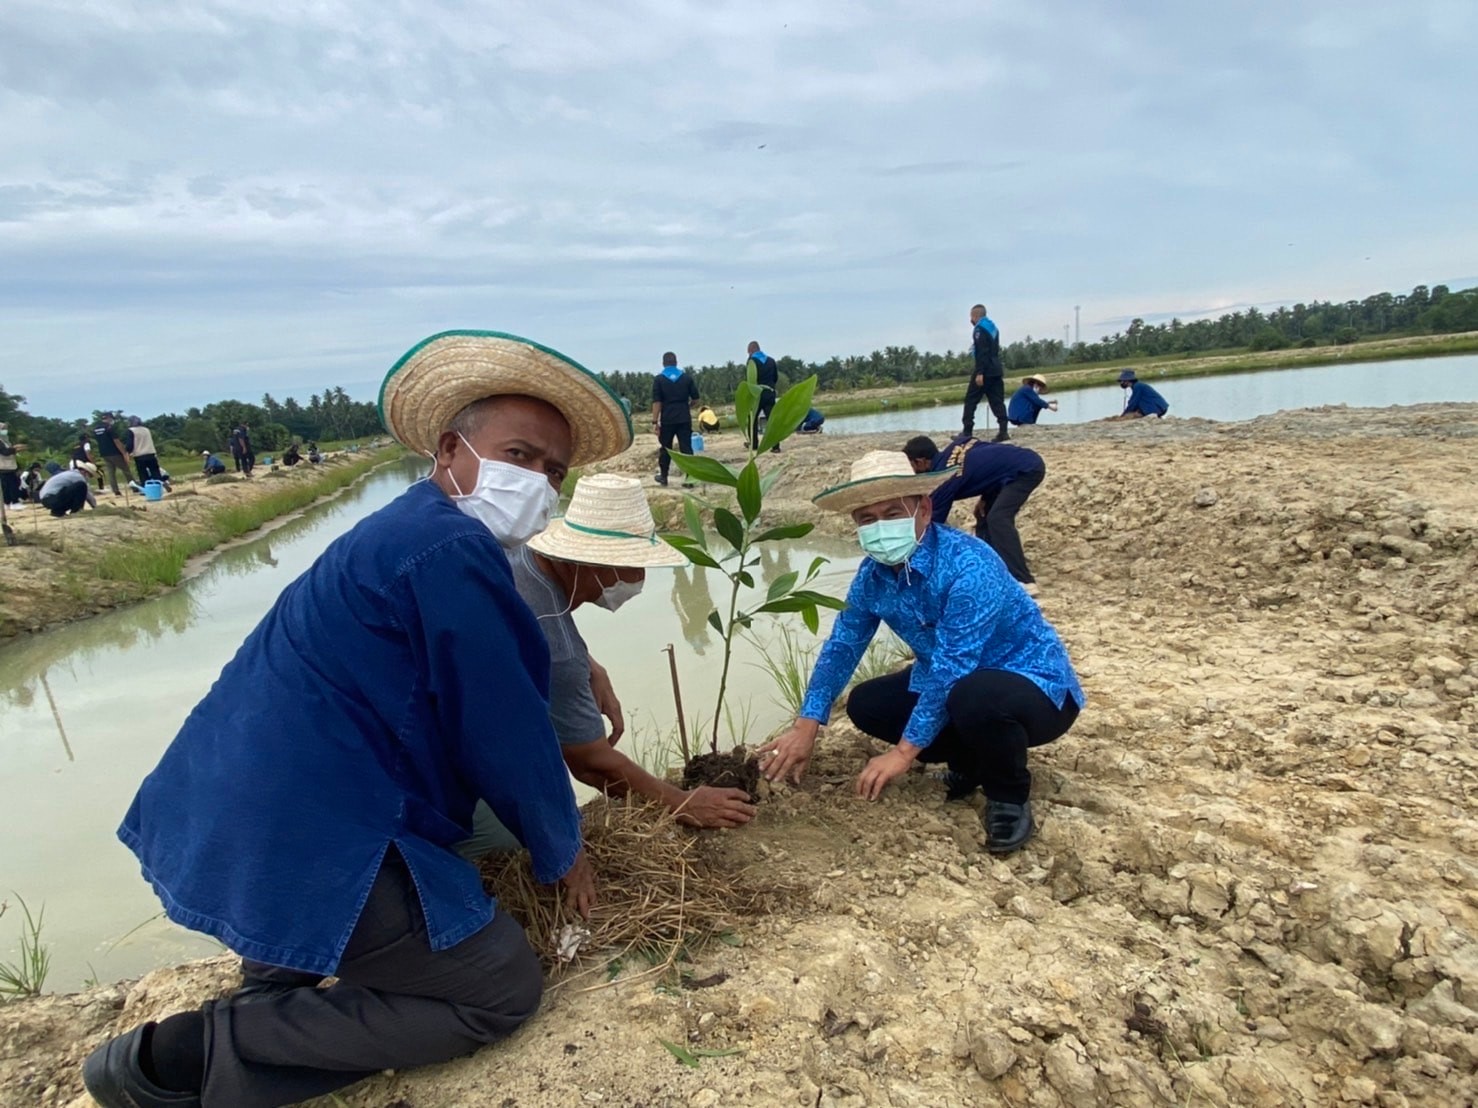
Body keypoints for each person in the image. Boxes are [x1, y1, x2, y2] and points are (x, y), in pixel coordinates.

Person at [81, 330, 635, 1108]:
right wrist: (560, 846)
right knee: (499, 989)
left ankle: (272, 991)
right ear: (452, 448)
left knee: (350, 926)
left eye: (553, 471)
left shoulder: (403, 530)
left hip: (238, 809)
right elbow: (502, 729)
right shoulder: (450, 552)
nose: (537, 481)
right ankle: (191, 1053)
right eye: (520, 454)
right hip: (311, 824)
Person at [758, 451, 1083, 856]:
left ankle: (1009, 795)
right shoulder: (872, 577)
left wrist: (901, 755)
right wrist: (807, 725)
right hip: (962, 686)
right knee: (867, 704)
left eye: (893, 513)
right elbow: (843, 645)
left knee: (973, 694)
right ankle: (972, 764)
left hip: (1034, 689)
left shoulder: (968, 567)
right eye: (867, 519)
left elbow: (951, 670)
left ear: (924, 509)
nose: (880, 528)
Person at [461, 473, 755, 861]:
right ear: (588, 561)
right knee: (519, 840)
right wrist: (682, 802)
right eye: (631, 566)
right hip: (421, 763)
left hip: (439, 706)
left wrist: (589, 663)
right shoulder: (556, 647)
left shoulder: (516, 556)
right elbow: (591, 763)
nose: (639, 579)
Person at [903, 434, 1046, 590]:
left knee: (998, 518)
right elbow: (984, 461)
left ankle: (1023, 580)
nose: (913, 474)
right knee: (983, 515)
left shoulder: (945, 478)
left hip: (1026, 471)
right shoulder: (957, 445)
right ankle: (993, 564)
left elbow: (931, 522)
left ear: (921, 462)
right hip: (1013, 467)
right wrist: (986, 496)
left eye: (912, 467)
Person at [651, 351, 699, 488]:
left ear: (663, 363)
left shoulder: (659, 380)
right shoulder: (686, 378)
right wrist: (687, 406)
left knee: (666, 448)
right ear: (676, 362)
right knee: (687, 448)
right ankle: (690, 479)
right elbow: (696, 399)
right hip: (684, 417)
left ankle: (664, 477)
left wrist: (655, 422)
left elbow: (657, 402)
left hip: (668, 419)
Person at [962, 304, 1008, 441]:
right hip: (996, 368)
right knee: (997, 401)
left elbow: (982, 351)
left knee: (971, 400)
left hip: (984, 369)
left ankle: (967, 432)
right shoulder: (993, 327)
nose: (971, 320)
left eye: (971, 317)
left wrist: (980, 372)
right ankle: (1003, 430)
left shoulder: (979, 329)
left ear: (975, 316)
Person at [746, 340, 781, 451]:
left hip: (757, 394)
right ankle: (776, 446)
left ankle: (754, 444)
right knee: (772, 420)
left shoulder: (751, 361)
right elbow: (775, 377)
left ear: (750, 351)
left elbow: (750, 379)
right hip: (770, 393)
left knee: (753, 420)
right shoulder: (771, 361)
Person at [92, 412, 133, 496]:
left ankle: (115, 490)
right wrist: (124, 453)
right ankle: (135, 487)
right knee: (126, 470)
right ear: (109, 418)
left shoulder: (96, 429)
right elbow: (116, 441)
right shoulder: (109, 428)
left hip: (104, 453)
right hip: (114, 453)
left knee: (111, 472)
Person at [126, 416, 163, 485]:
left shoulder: (131, 430)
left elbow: (130, 444)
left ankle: (146, 487)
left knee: (143, 473)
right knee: (155, 471)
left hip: (139, 455)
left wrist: (128, 452)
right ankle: (159, 485)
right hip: (151, 453)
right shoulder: (146, 429)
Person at [0, 422, 23, 507]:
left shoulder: (4, 440)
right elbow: (5, 452)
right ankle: (13, 502)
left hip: (9, 466)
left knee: (12, 484)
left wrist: (14, 447)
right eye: (3, 429)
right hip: (3, 467)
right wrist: (15, 449)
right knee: (8, 486)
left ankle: (10, 502)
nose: (5, 431)